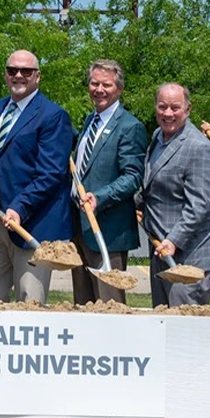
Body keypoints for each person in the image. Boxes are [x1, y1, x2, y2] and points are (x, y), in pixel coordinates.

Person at [0, 49, 72, 304]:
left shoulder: (53, 116)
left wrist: (20, 207)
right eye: (12, 70)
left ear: (37, 77)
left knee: (29, 302)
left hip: (31, 223)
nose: (18, 75)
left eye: (26, 71)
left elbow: (51, 174)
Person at [70, 60, 146, 305]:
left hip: (108, 232)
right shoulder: (89, 122)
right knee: (83, 305)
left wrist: (99, 197)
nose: (99, 89)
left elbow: (133, 176)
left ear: (119, 89)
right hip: (80, 228)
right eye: (94, 83)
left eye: (107, 84)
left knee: (109, 305)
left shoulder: (129, 127)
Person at [142, 84, 210, 306]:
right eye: (162, 107)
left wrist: (174, 240)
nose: (168, 113)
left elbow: (200, 206)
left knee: (183, 332)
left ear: (187, 109)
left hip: (191, 257)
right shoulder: (158, 137)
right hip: (162, 251)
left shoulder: (199, 147)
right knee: (162, 329)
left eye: (175, 108)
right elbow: (153, 186)